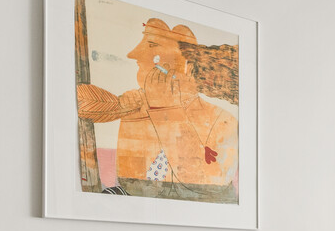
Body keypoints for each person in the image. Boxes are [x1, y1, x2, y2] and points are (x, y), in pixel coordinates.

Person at [78, 17, 239, 201]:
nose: (134, 55)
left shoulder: (222, 120)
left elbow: (211, 182)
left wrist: (166, 110)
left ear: (187, 67)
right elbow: (85, 105)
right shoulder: (138, 103)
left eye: (153, 48)